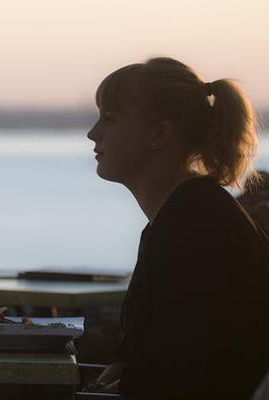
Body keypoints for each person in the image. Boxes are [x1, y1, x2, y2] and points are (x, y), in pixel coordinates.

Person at [84, 57, 269, 399]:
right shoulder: (177, 216)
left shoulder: (195, 227)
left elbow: (181, 371)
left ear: (159, 134)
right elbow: (143, 356)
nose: (93, 133)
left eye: (109, 119)